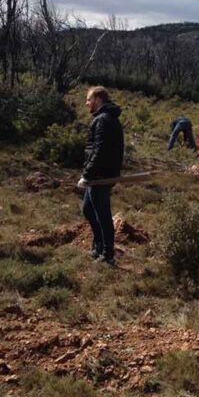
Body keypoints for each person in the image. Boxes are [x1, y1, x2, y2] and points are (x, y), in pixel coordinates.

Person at [77, 86, 124, 265]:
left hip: (100, 175)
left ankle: (107, 254)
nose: (86, 103)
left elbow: (100, 150)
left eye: (89, 99)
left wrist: (87, 174)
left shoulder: (104, 119)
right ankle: (98, 246)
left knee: (103, 214)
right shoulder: (105, 118)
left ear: (98, 99)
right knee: (88, 210)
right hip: (99, 173)